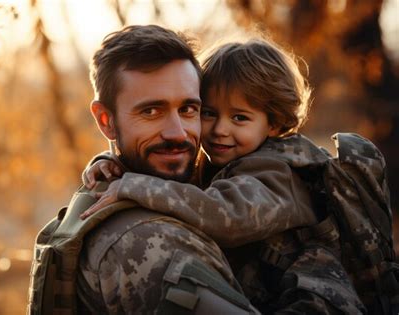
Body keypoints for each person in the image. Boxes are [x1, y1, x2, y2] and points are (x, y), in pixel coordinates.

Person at [82, 39, 366, 313]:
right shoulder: (223, 162)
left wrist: (137, 186)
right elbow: (187, 189)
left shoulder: (279, 173)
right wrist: (113, 162)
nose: (220, 129)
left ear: (275, 123)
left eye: (239, 118)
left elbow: (225, 215)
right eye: (208, 113)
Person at [73, 25, 259, 314]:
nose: (178, 133)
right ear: (106, 120)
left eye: (188, 110)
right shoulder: (150, 242)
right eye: (151, 112)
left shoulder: (124, 185)